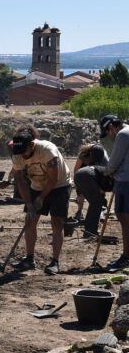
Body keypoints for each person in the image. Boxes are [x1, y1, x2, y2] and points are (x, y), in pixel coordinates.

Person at [9, 126, 71, 274]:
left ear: (32, 145)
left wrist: (42, 198)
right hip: (36, 185)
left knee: (56, 222)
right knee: (30, 221)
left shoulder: (47, 150)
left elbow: (53, 178)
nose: (22, 157)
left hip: (59, 185)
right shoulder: (18, 153)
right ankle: (29, 259)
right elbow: (21, 181)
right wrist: (29, 203)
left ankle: (55, 262)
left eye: (25, 152)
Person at [75, 115, 120, 239]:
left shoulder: (98, 158)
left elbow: (78, 172)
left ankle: (90, 231)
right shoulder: (100, 156)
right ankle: (90, 232)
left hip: (82, 176)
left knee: (96, 202)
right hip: (87, 176)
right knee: (97, 202)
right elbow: (104, 183)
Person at [102, 116, 129, 269]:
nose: (109, 136)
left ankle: (126, 256)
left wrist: (107, 172)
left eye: (108, 132)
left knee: (124, 219)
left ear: (112, 126)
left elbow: (113, 161)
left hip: (125, 181)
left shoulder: (123, 134)